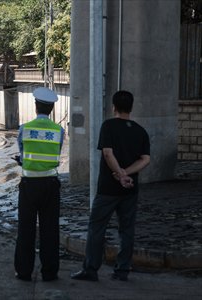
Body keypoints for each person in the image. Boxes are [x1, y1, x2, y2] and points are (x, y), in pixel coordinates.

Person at [70, 90, 150, 282]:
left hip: (108, 189)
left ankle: (91, 269)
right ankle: (122, 270)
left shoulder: (108, 126)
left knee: (97, 228)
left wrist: (120, 174)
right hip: (130, 189)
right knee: (127, 230)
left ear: (113, 107)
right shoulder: (140, 131)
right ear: (131, 107)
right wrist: (127, 174)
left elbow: (107, 153)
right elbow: (145, 160)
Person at [14, 87, 65, 282]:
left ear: (36, 106)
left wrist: (22, 161)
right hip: (51, 184)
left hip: (29, 184)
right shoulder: (58, 131)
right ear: (52, 108)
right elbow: (55, 154)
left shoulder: (24, 129)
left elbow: (23, 154)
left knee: (25, 228)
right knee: (50, 229)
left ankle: (24, 271)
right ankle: (50, 272)